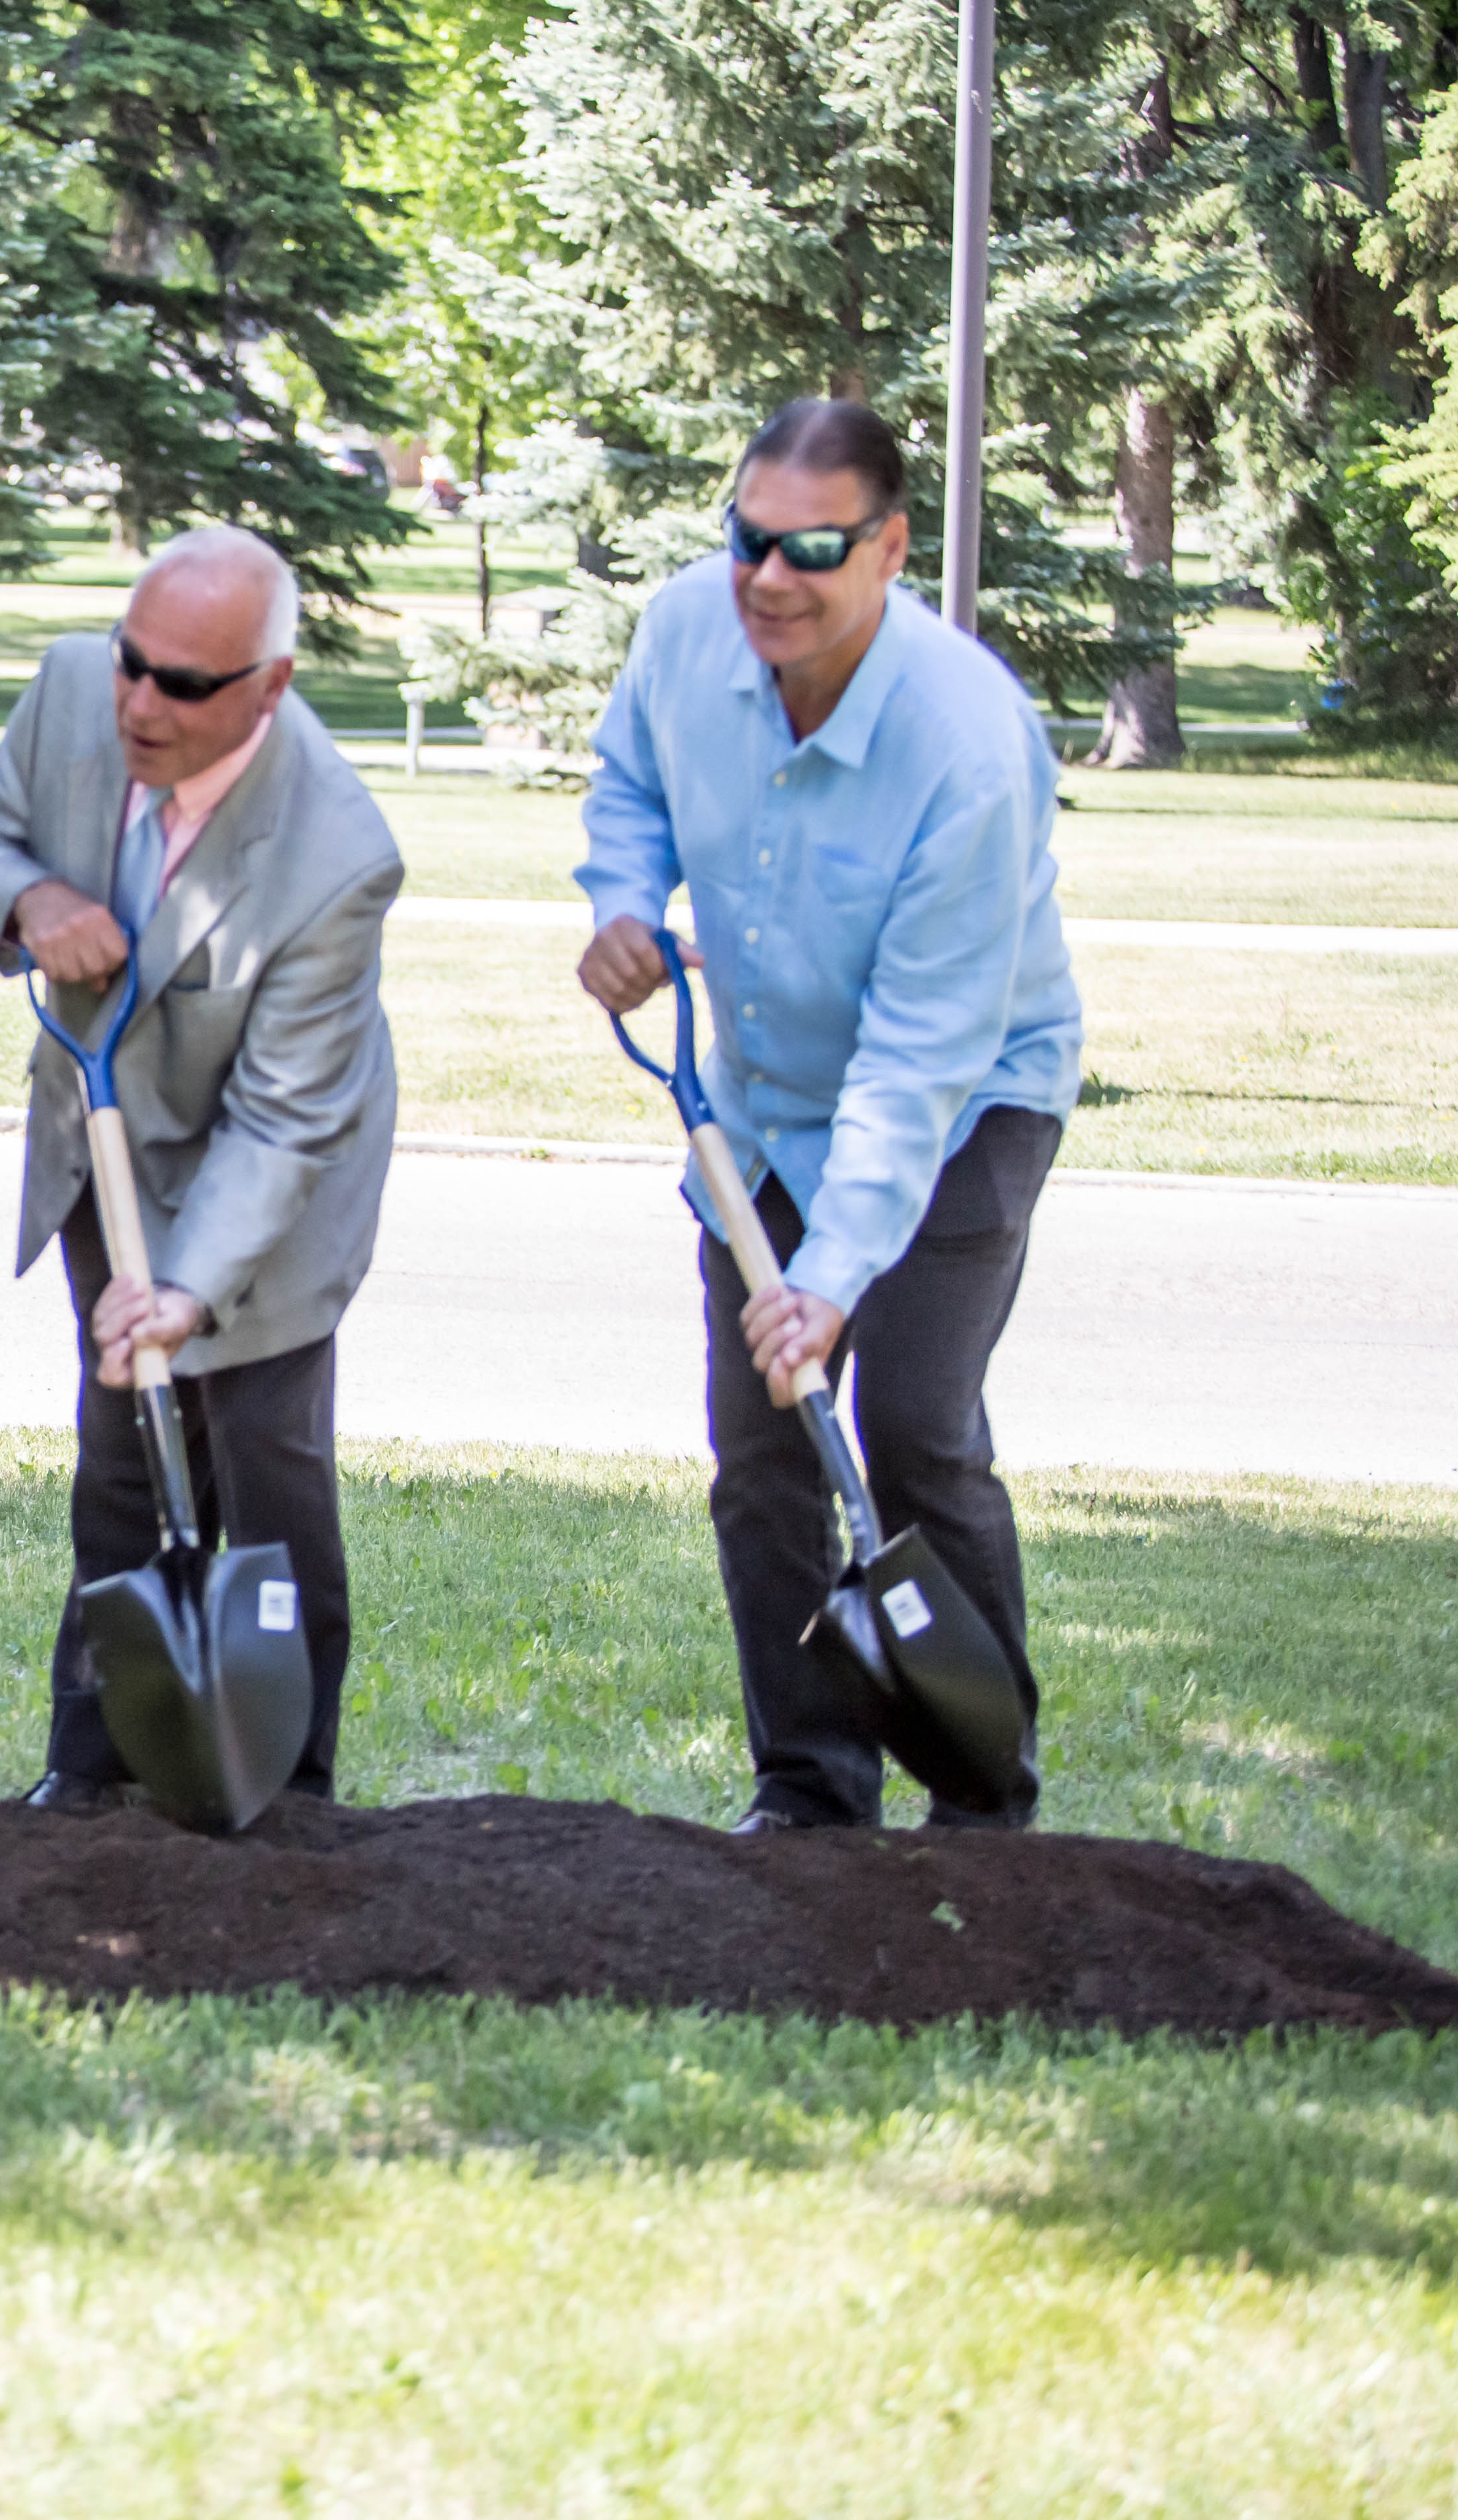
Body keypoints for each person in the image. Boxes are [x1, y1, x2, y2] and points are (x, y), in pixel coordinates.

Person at [574, 397, 1082, 1832]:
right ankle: (809, 1789)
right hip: (765, 1102)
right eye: (748, 539)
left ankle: (986, 1798)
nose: (770, 578)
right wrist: (623, 904)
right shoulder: (690, 628)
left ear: (890, 546)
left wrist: (828, 1278)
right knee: (763, 1446)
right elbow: (629, 785)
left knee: (914, 1424)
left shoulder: (968, 748)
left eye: (812, 546)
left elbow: (921, 1058)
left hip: (969, 1097)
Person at [0, 528, 405, 1812]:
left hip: (275, 1170)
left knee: (264, 1462)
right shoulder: (72, 691)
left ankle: (284, 1788)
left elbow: (285, 1125)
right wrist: (26, 901)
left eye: (183, 685)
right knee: (124, 1446)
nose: (140, 703)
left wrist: (185, 1293)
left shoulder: (337, 856)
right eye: (135, 665)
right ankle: (91, 1766)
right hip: (112, 1128)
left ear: (269, 685)